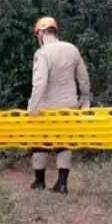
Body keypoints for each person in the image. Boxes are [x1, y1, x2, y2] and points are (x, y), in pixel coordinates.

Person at [27, 16, 91, 194]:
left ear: (40, 33)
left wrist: (32, 108)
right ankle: (62, 184)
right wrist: (84, 99)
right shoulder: (72, 49)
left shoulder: (42, 53)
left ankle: (39, 182)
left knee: (39, 142)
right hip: (68, 107)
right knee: (64, 143)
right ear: (55, 31)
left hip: (46, 109)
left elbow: (40, 83)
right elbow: (83, 78)